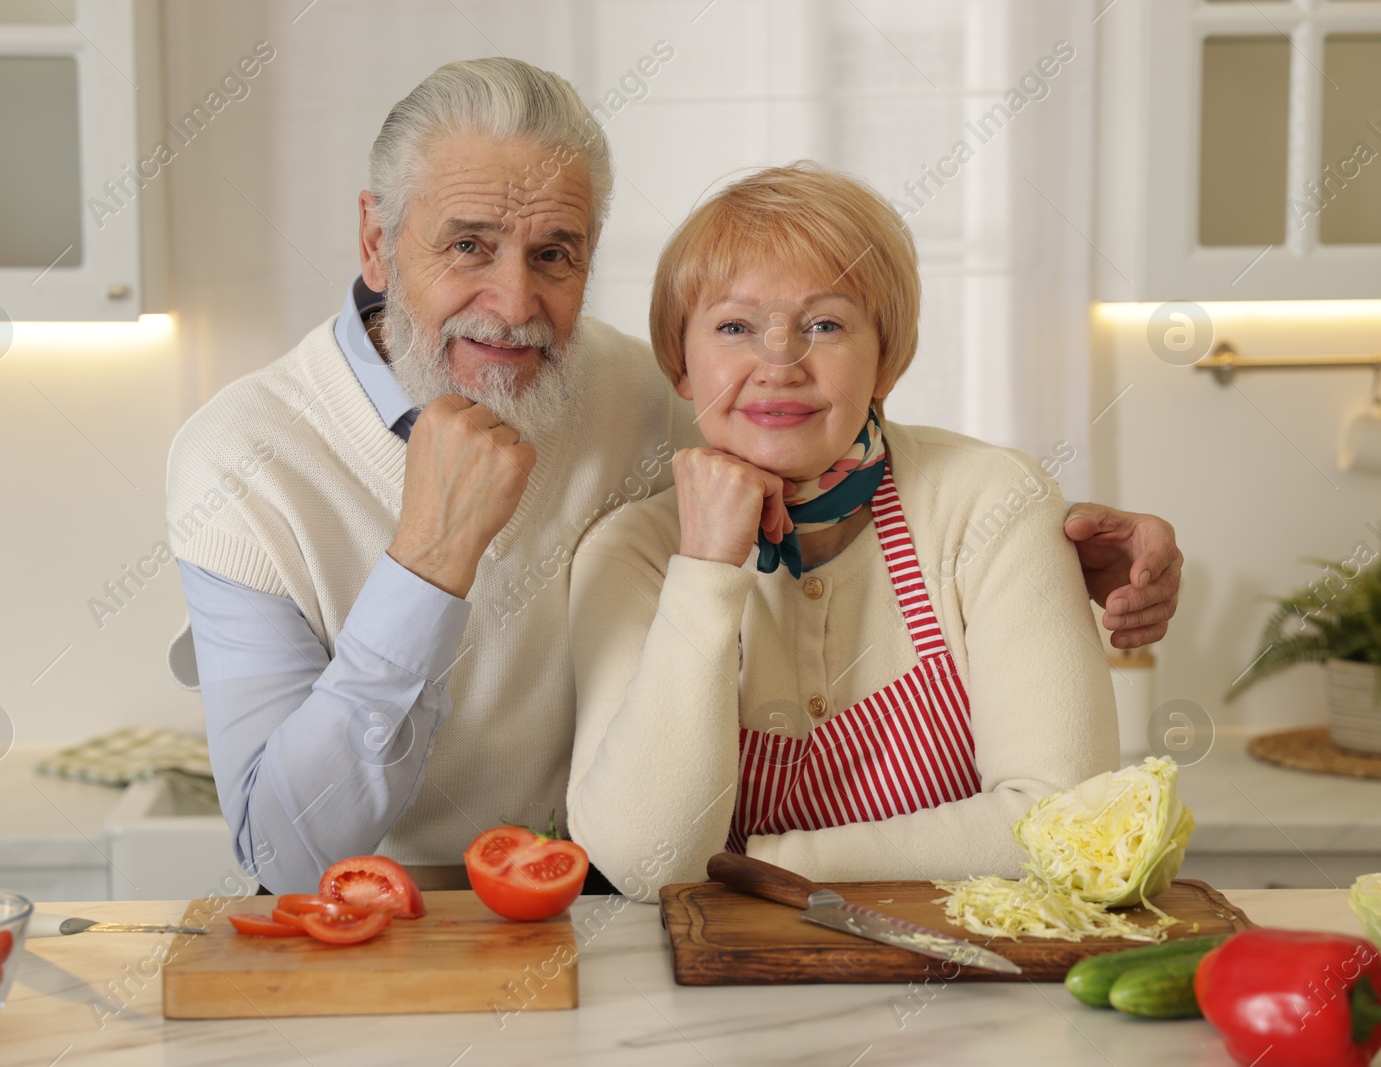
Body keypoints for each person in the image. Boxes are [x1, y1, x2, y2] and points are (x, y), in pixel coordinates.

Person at [164, 58, 1181, 895]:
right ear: (377, 241)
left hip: (590, 906)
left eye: (554, 253)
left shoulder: (626, 386)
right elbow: (282, 851)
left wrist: (1040, 546)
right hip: (382, 914)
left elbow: (809, 426)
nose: (512, 300)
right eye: (468, 244)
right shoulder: (239, 460)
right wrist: (428, 559)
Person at [567, 164, 1121, 899]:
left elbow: (1061, 818)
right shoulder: (631, 553)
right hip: (714, 998)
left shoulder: (990, 501)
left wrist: (766, 865)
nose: (779, 363)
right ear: (683, 367)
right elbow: (646, 862)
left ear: (886, 357)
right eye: (734, 326)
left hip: (966, 989)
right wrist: (705, 568)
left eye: (823, 324)